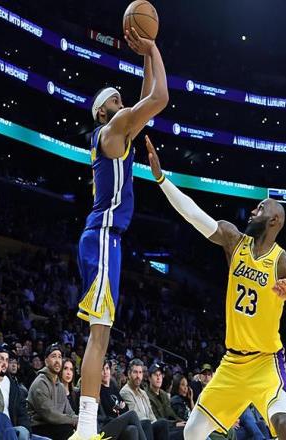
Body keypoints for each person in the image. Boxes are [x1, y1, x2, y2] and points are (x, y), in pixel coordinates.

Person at [144, 136, 286, 440]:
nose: (253, 211)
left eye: (259, 208)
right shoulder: (233, 240)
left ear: (274, 220)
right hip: (232, 364)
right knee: (192, 432)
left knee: (284, 425)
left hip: (265, 362)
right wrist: (162, 180)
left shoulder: (284, 263)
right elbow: (194, 215)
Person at [72, 24, 169, 440]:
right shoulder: (111, 132)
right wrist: (154, 47)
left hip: (105, 239)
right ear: (102, 112)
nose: (122, 103)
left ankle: (86, 425)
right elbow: (159, 98)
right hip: (102, 236)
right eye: (115, 100)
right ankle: (85, 427)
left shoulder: (116, 132)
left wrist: (145, 54)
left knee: (102, 333)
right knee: (99, 335)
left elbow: (146, 97)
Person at [27, 344, 78, 440]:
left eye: (60, 357)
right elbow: (50, 415)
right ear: (46, 361)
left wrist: (79, 420)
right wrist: (73, 421)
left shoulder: (60, 386)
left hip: (55, 426)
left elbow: (70, 412)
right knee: (67, 430)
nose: (57, 360)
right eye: (54, 356)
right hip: (38, 427)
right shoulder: (40, 382)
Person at [120, 359, 169, 440]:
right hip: (137, 426)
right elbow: (134, 413)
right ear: (129, 374)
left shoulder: (143, 393)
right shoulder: (125, 391)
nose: (138, 376)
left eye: (140, 372)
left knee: (162, 423)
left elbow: (151, 414)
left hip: (148, 425)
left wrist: (154, 423)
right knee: (146, 423)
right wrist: (149, 422)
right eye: (135, 372)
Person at [98, 360, 146, 440]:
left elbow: (125, 408)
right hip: (106, 426)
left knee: (132, 429)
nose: (105, 372)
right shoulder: (98, 390)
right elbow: (107, 412)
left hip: (118, 424)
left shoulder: (113, 387)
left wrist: (118, 409)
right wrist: (118, 408)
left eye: (107, 368)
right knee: (132, 414)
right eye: (102, 370)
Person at [0, 343, 32, 439]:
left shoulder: (12, 385)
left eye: (7, 360)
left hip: (12, 429)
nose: (4, 364)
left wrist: (26, 430)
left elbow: (22, 413)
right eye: (1, 359)